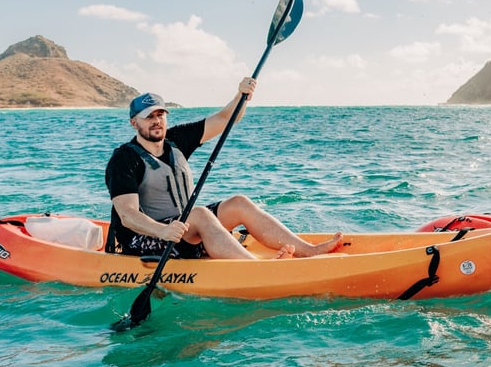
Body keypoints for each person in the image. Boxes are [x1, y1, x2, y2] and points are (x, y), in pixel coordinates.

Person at [105, 78, 342, 260]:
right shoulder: (124, 159)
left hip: (181, 231)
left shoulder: (176, 139)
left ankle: (309, 252)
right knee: (199, 214)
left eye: (160, 114)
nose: (156, 121)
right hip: (147, 239)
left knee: (239, 203)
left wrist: (242, 96)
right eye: (149, 117)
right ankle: (254, 269)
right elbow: (128, 216)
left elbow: (225, 118)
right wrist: (164, 231)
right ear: (134, 122)